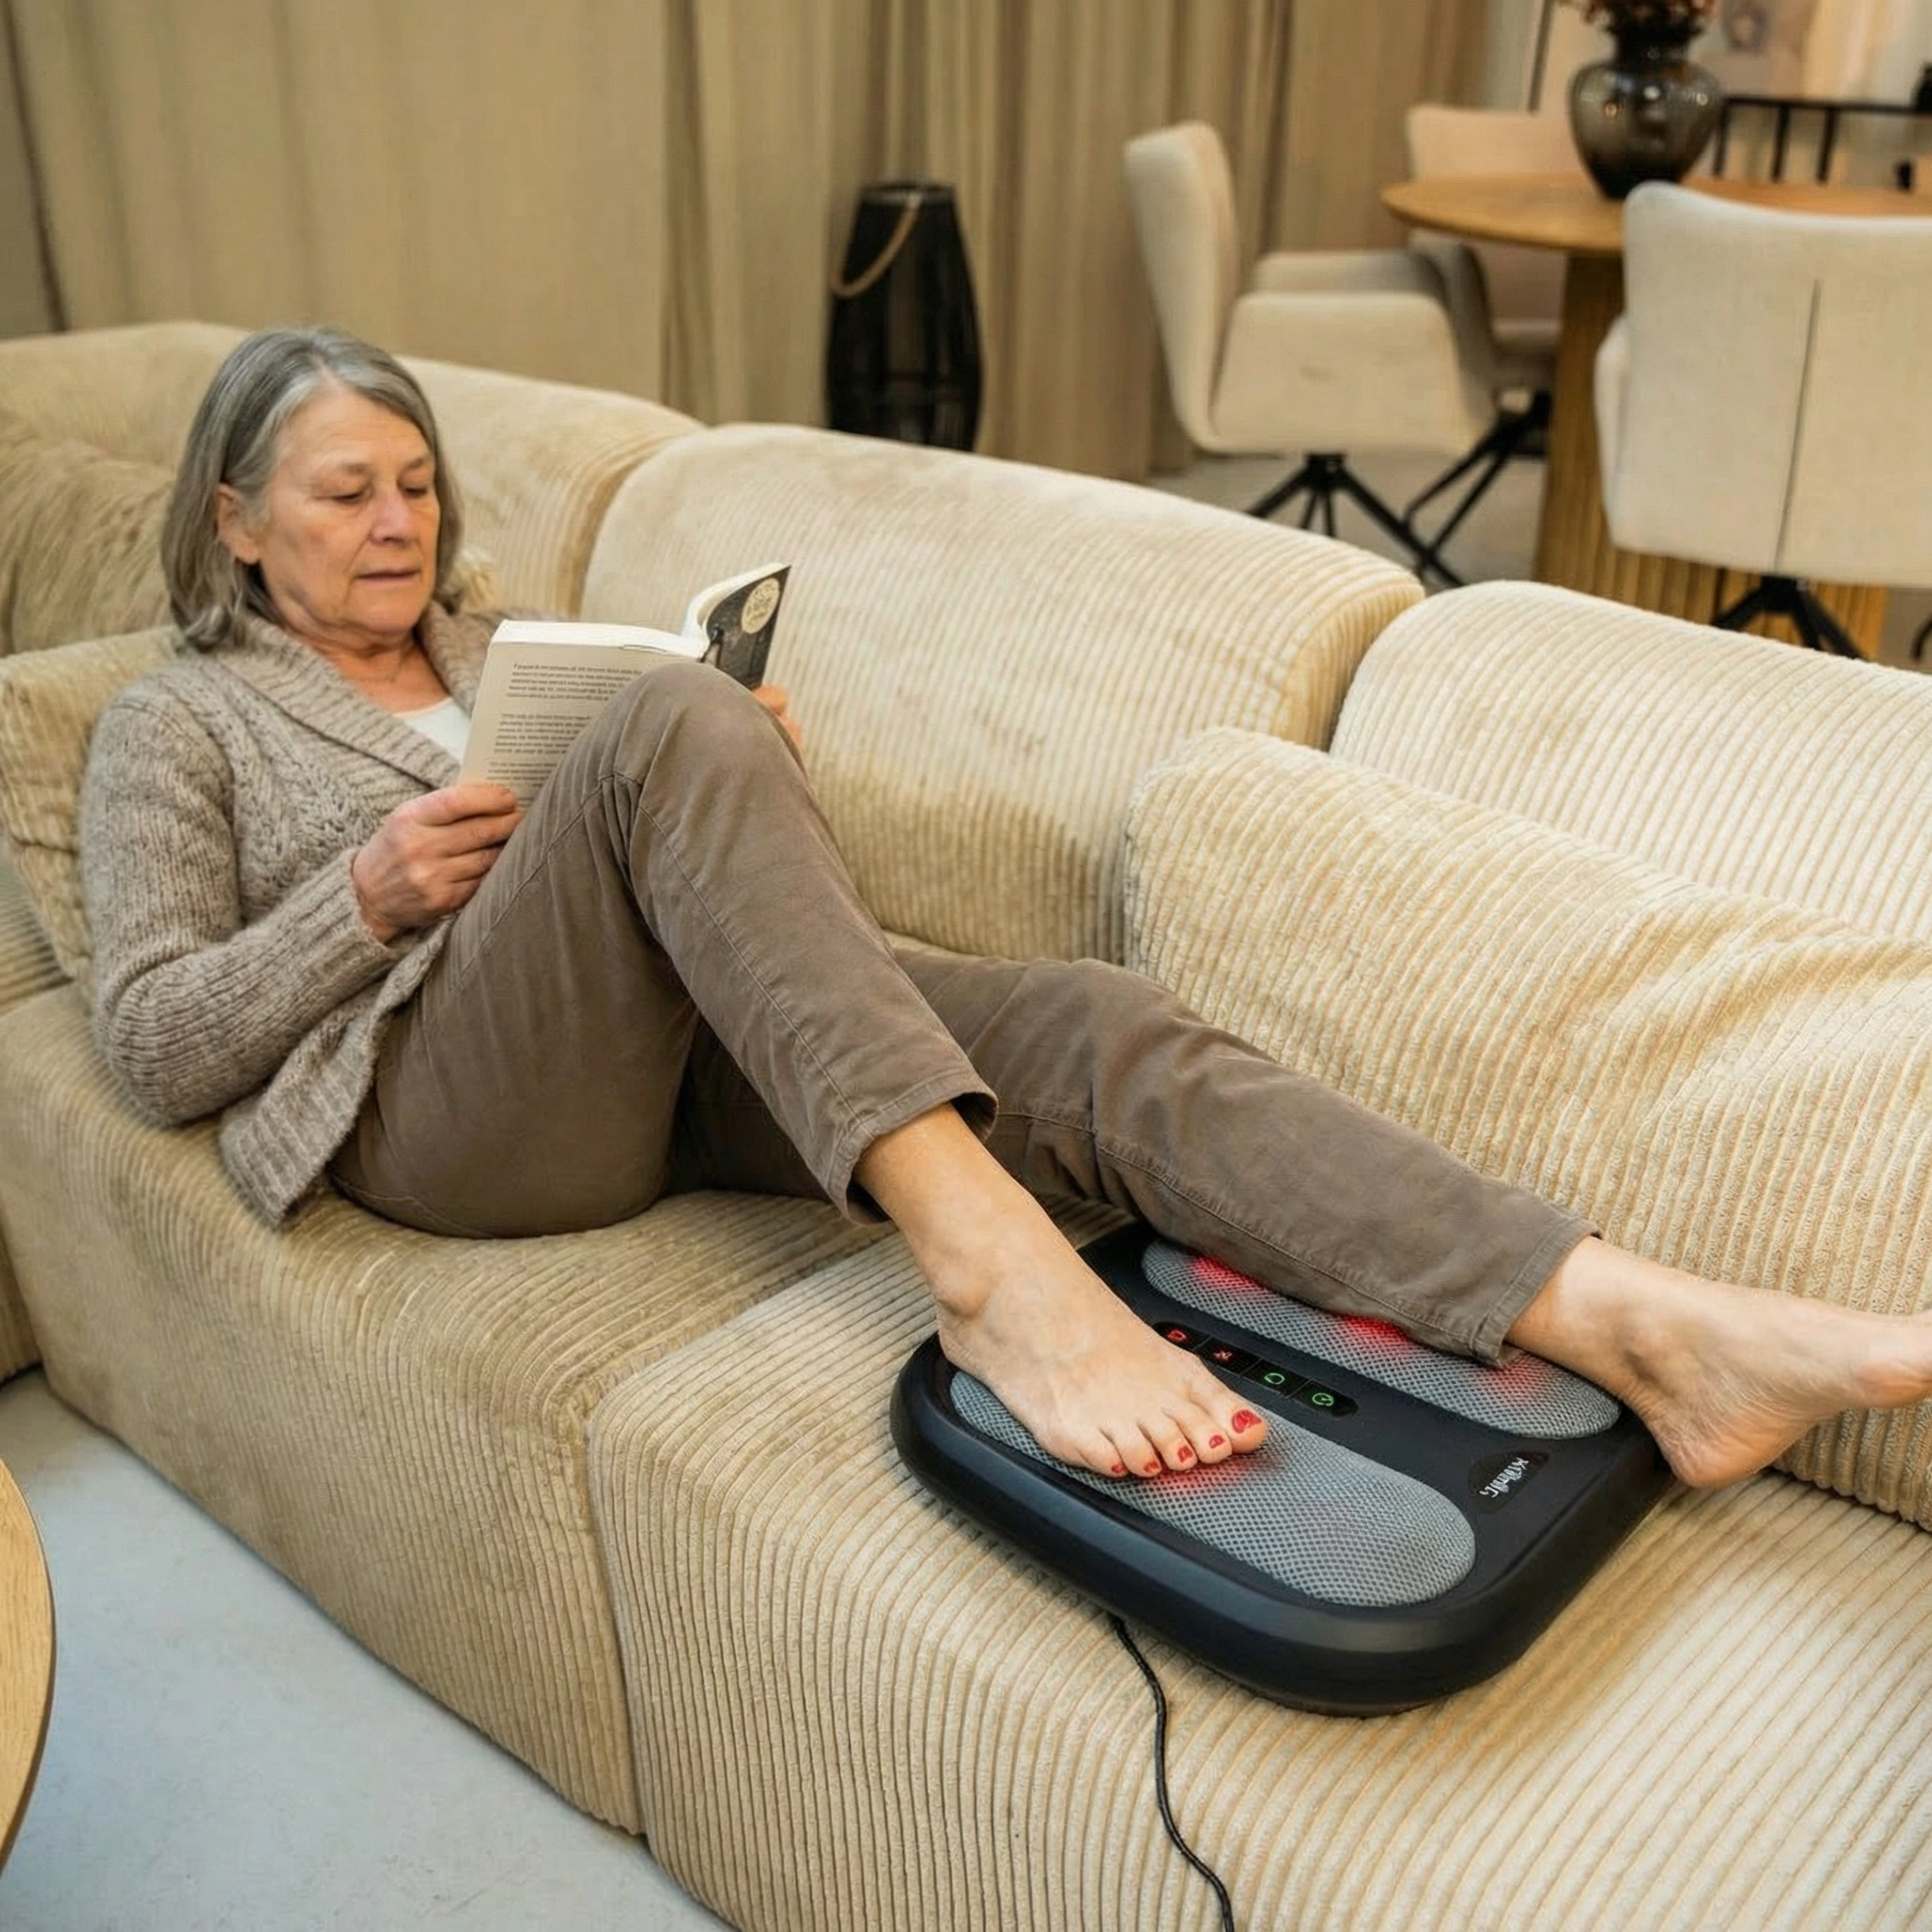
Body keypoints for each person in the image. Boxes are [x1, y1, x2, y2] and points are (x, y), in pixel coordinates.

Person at [79, 326, 1932, 1493]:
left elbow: (713, 900)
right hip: (439, 1111)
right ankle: (995, 1276)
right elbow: (153, 1039)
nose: (396, 519)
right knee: (666, 721)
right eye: (345, 491)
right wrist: (368, 893)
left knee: (1084, 1026)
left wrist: (732, 768)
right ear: (238, 519)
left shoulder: (506, 647)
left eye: (416, 482)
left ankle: (1636, 1321)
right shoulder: (183, 718)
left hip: (657, 1055)